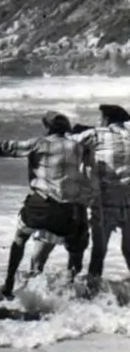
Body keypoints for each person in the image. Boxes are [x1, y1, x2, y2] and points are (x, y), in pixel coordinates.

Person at [0, 110, 92, 299]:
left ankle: (9, 282)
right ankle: (71, 288)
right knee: (77, 246)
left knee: (20, 238)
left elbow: (2, 148)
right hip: (69, 213)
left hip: (41, 208)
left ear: (47, 127)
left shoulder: (38, 143)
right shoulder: (78, 146)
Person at [69, 104, 130, 291]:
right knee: (129, 250)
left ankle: (92, 292)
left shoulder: (96, 134)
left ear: (105, 120)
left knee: (99, 252)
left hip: (105, 202)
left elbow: (64, 145)